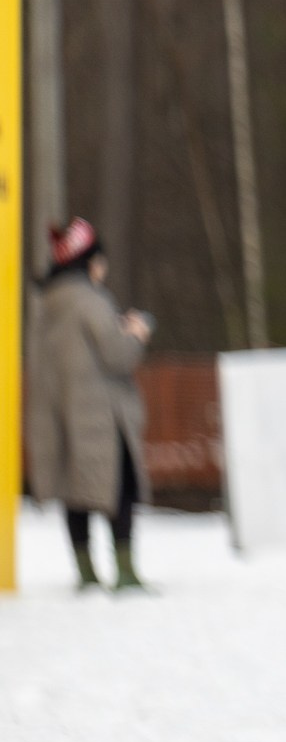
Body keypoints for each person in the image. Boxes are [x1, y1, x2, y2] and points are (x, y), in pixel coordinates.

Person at [26, 218, 152, 592]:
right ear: (90, 262)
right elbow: (117, 355)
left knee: (75, 491)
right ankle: (126, 573)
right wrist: (136, 332)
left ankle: (86, 573)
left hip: (63, 418)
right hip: (101, 418)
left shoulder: (47, 304)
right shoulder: (90, 300)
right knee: (120, 490)